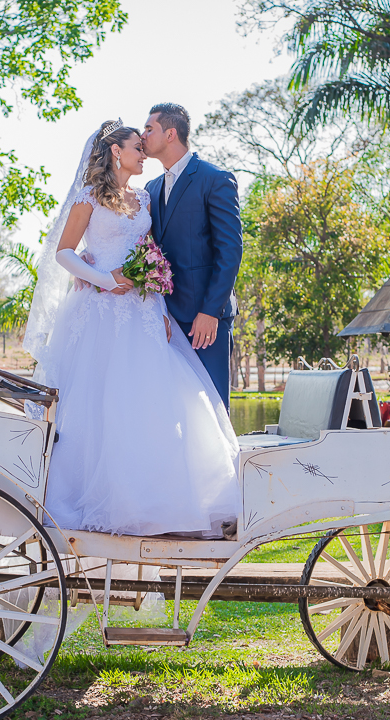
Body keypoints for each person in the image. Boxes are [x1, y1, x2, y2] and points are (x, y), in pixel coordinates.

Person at [22, 119, 240, 538]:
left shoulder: (144, 198)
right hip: (99, 312)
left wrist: (155, 299)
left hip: (141, 311)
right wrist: (103, 278)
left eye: (145, 145)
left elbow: (149, 255)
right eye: (137, 148)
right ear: (117, 152)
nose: (144, 154)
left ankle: (158, 502)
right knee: (99, 403)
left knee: (149, 401)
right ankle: (88, 498)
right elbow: (64, 252)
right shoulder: (89, 198)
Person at [142, 103, 243, 409]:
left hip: (205, 321)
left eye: (149, 129)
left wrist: (210, 312)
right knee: (173, 410)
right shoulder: (151, 187)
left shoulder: (215, 179)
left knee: (211, 409)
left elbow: (230, 250)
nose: (143, 135)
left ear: (170, 134)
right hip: (166, 321)